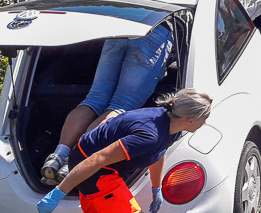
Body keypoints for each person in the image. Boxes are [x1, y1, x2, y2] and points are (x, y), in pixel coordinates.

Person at [30, 88, 212, 213]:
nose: (205, 122)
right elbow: (99, 158)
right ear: (191, 119)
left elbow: (157, 153)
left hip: (94, 166)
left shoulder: (169, 123)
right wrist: (59, 191)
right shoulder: (149, 134)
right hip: (94, 171)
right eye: (204, 118)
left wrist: (156, 187)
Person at [40, 25, 173, 185]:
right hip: (153, 32)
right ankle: (75, 160)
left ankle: (58, 156)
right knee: (122, 105)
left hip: (118, 28)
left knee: (93, 100)